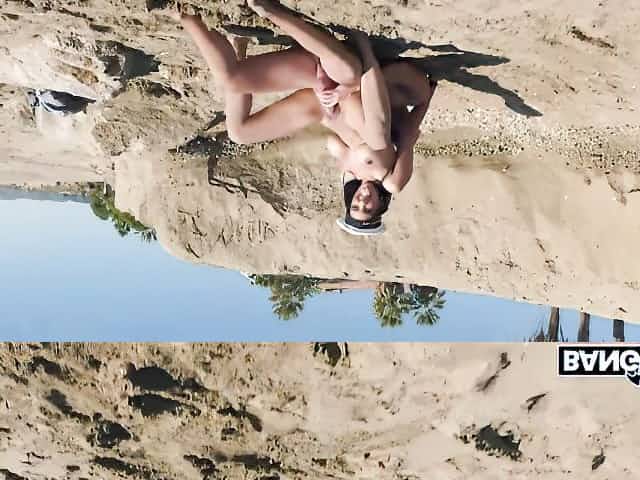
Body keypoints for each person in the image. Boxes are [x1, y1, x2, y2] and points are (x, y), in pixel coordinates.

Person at [171, 0, 436, 234]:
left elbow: (337, 132)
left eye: (355, 206)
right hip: (353, 78)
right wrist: (421, 99)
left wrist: (329, 104)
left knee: (238, 127)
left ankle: (187, 15)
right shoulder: (389, 178)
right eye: (368, 208)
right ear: (380, 207)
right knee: (374, 132)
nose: (362, 201)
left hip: (321, 98)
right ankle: (270, 10)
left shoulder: (348, 170)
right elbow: (409, 134)